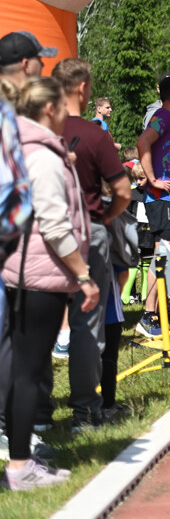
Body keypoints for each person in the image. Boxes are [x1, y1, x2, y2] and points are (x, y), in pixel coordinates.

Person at [3, 77, 99, 490]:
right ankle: (19, 466)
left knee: (26, 368)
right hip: (39, 277)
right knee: (29, 371)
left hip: (28, 272)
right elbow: (56, 226)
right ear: (48, 110)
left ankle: (21, 459)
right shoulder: (41, 157)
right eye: (62, 106)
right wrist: (83, 275)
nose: (66, 113)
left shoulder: (27, 149)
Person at [50, 59, 130, 430]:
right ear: (83, 87)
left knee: (39, 321)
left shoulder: (38, 130)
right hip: (88, 229)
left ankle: (38, 413)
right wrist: (107, 217)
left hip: (43, 233)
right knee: (87, 323)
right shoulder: (95, 135)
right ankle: (85, 410)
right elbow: (123, 191)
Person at [134, 75, 170, 339]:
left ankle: (157, 315)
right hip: (163, 198)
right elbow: (142, 142)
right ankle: (149, 316)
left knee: (163, 256)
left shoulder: (168, 120)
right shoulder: (163, 116)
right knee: (163, 256)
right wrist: (153, 179)